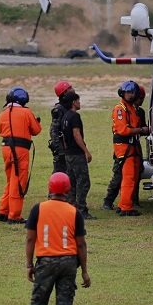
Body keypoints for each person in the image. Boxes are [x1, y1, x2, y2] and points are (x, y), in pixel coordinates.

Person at [19, 172, 91, 305]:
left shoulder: (38, 209)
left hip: (46, 262)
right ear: (67, 190)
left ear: (50, 189)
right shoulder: (74, 212)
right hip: (68, 263)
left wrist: (29, 264)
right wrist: (84, 271)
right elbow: (81, 244)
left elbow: (30, 238)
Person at [0, 87, 42, 224]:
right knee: (18, 182)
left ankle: (3, 211)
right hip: (20, 150)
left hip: (5, 149)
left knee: (11, 180)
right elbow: (36, 130)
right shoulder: (26, 112)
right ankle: (14, 215)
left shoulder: (3, 114)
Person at [102, 83, 146, 211]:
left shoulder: (134, 110)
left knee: (134, 175)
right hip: (124, 147)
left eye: (133, 93)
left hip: (133, 146)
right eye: (129, 93)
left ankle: (130, 202)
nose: (131, 95)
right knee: (123, 177)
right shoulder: (120, 109)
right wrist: (140, 130)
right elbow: (123, 130)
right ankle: (118, 204)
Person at [61, 92, 95, 220]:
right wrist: (86, 151)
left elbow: (63, 136)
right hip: (76, 153)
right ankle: (81, 210)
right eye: (78, 100)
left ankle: (71, 208)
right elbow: (76, 134)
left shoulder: (65, 116)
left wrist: (66, 149)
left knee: (71, 182)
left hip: (68, 153)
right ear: (73, 102)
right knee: (83, 182)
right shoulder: (75, 116)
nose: (79, 103)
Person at [49, 81, 75, 174]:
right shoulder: (59, 110)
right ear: (65, 92)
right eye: (70, 88)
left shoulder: (69, 107)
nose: (73, 89)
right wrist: (60, 150)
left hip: (69, 146)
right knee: (59, 173)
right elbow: (53, 131)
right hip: (61, 148)